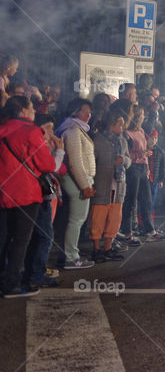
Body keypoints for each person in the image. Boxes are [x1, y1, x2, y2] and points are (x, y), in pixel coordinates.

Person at [0, 96, 58, 297]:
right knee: (21, 240)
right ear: (23, 111)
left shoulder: (2, 129)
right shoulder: (32, 131)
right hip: (25, 193)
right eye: (32, 107)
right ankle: (12, 284)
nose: (34, 111)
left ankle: (4, 279)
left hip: (4, 192)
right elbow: (47, 165)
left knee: (4, 238)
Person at [21, 113, 65, 291]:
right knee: (45, 236)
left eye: (52, 128)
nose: (51, 132)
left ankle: (32, 272)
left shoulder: (39, 144)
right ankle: (36, 275)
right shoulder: (38, 144)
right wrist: (60, 151)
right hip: (40, 196)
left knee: (38, 236)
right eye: (48, 128)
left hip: (39, 195)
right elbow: (52, 167)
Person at [56, 98, 97, 269]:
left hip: (77, 180)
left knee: (73, 219)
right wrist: (85, 185)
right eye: (84, 111)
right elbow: (76, 162)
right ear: (75, 112)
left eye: (89, 112)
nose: (88, 115)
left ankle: (68, 254)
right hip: (79, 181)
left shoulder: (73, 128)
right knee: (77, 220)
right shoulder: (73, 130)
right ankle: (71, 258)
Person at [121, 106, 165, 244]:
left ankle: (150, 231)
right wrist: (142, 153)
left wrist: (147, 153)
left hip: (142, 168)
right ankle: (127, 233)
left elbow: (145, 149)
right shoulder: (127, 134)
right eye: (141, 115)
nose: (143, 117)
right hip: (132, 169)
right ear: (136, 117)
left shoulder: (141, 131)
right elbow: (126, 153)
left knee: (146, 199)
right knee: (130, 201)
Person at [90, 113, 130, 262]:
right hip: (102, 184)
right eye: (120, 124)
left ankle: (108, 247)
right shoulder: (99, 140)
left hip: (119, 185)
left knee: (114, 218)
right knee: (98, 218)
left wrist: (124, 160)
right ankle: (96, 249)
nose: (122, 127)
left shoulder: (123, 141)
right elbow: (92, 162)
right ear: (111, 125)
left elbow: (129, 160)